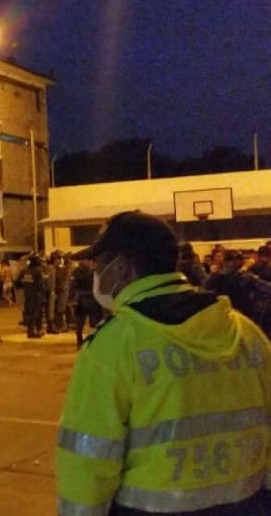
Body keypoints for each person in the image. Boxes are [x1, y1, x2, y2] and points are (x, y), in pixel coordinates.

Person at [56, 211, 271, 515]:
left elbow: (88, 460)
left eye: (99, 263)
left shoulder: (115, 344)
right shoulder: (247, 334)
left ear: (121, 268)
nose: (96, 272)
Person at [204, 249, 271, 336]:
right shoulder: (243, 276)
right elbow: (265, 287)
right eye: (239, 260)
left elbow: (205, 289)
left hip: (220, 315)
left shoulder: (214, 276)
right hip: (241, 315)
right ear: (232, 262)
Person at [67, 258, 103, 349]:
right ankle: (82, 341)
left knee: (90, 323)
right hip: (84, 300)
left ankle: (88, 341)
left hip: (88, 300)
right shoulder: (80, 272)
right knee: (81, 323)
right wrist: (72, 300)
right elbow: (73, 286)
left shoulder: (92, 271)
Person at [16, 254, 46, 339]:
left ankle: (32, 330)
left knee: (29, 312)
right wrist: (43, 295)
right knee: (35, 313)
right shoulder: (38, 272)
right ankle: (32, 332)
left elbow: (17, 283)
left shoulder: (24, 271)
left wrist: (26, 286)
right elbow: (41, 286)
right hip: (36, 295)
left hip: (27, 295)